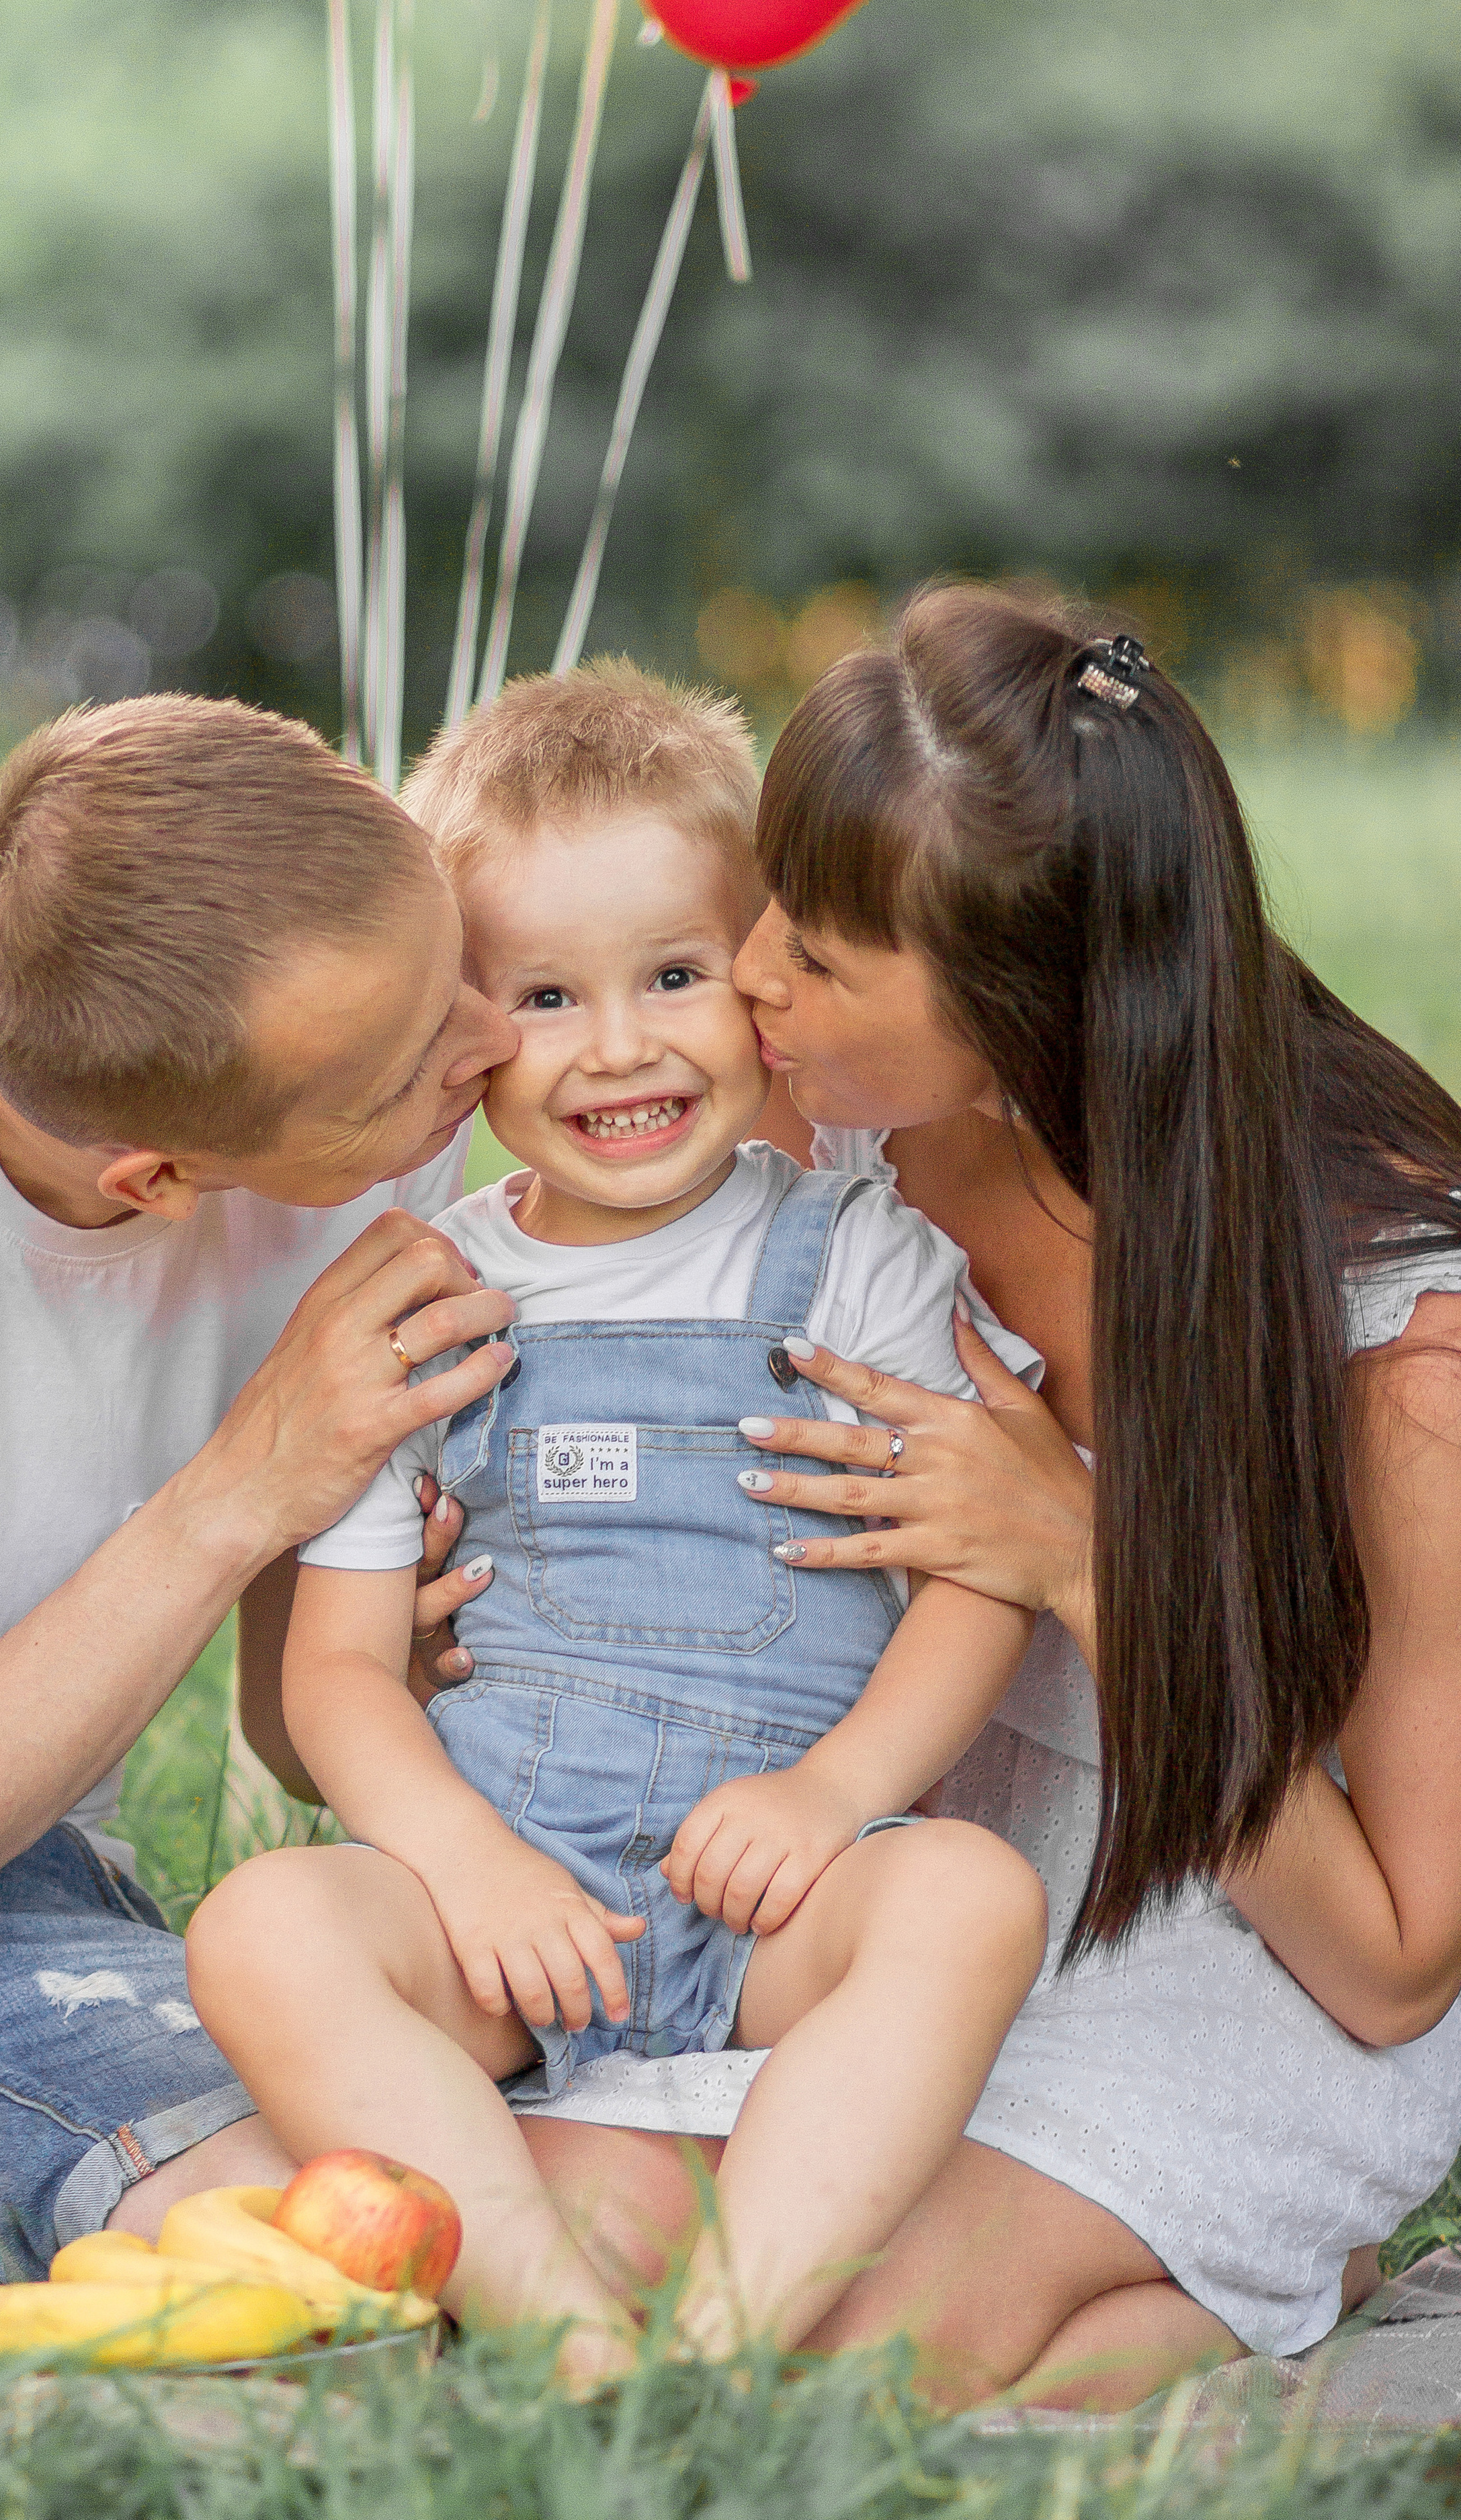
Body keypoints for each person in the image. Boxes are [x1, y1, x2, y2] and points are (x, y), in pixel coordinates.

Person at [506, 587, 1461, 2408]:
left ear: (1039, 1021)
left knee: (846, 2354)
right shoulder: (823, 1132)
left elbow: (1399, 1969)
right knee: (551, 2232)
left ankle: (1246, 2262)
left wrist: (1084, 1568)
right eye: (778, 897)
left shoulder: (1401, 1353)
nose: (757, 973)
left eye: (831, 955)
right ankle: (1140, 2309)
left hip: (1232, 1947)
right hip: (894, 1893)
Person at [185, 659, 1049, 2384]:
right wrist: (463, 1861)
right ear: (459, 1021)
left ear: (758, 972)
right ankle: (562, 2333)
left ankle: (726, 2344)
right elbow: (336, 1678)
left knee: (963, 1896)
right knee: (260, 1926)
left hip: (776, 1893)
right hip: (510, 1899)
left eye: (671, 974)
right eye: (546, 997)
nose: (621, 1047)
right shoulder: (423, 1303)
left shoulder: (856, 1257)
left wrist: (838, 1791)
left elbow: (975, 1573)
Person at [0, 692, 520, 2296]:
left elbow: (293, 1728)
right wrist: (245, 1482)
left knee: (380, 2174)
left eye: (451, 973)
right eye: (401, 1074)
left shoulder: (375, 1106)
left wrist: (425, 1656)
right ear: (152, 1184)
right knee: (320, 2201)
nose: (490, 1043)